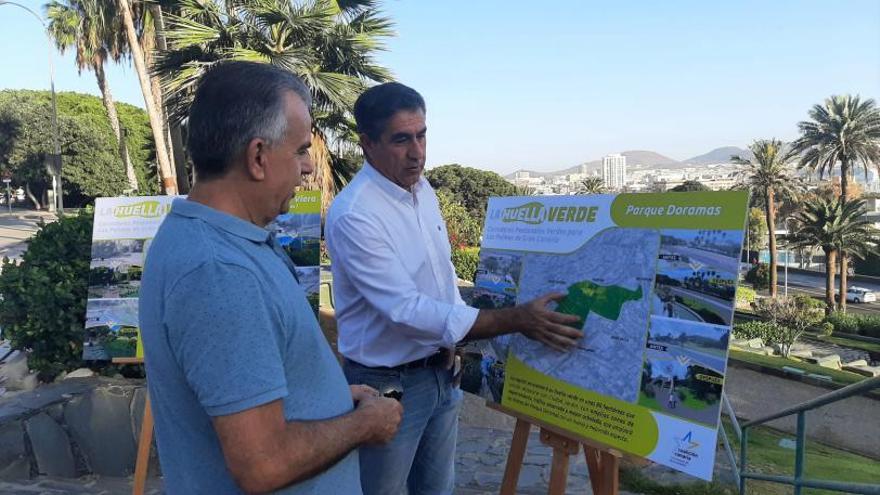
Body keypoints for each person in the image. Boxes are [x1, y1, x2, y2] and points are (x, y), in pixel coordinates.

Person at [139, 61, 402, 495]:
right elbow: (263, 465)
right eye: (300, 151)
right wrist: (363, 425)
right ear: (258, 157)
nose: (309, 169)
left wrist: (331, 398)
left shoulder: (221, 241)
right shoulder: (219, 273)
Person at [325, 82, 583, 495]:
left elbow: (441, 275)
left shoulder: (422, 190)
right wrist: (517, 319)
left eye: (422, 135)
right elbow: (405, 310)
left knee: (437, 489)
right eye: (402, 139)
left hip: (442, 372)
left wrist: (455, 343)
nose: (418, 152)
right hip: (385, 386)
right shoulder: (356, 214)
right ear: (367, 143)